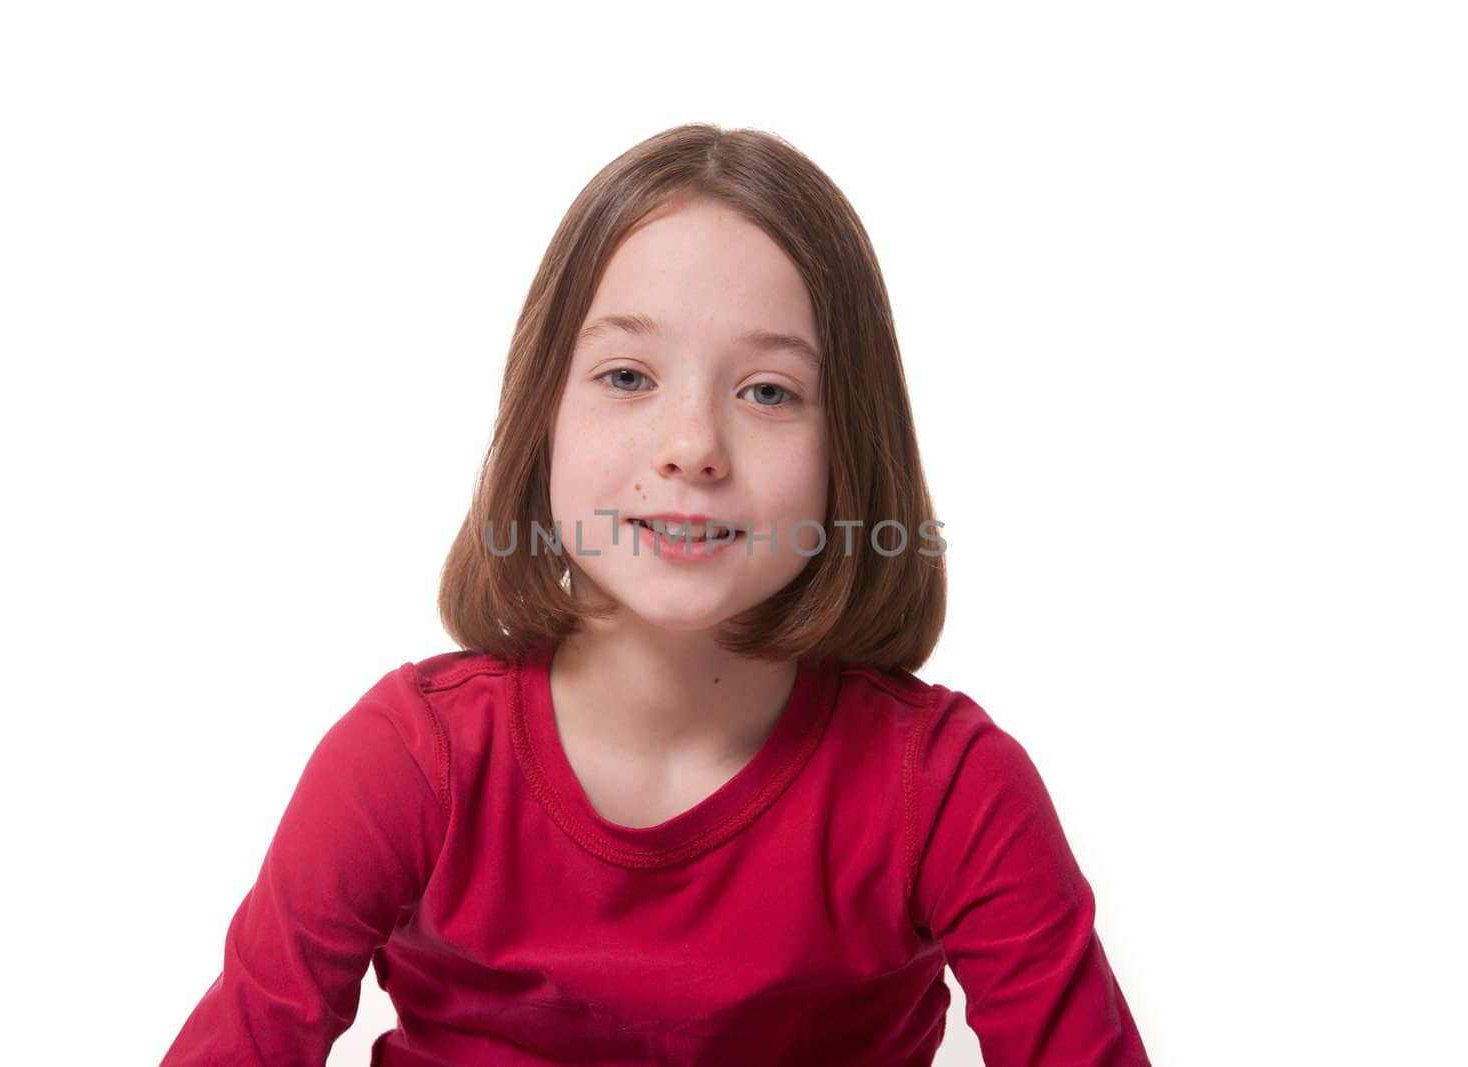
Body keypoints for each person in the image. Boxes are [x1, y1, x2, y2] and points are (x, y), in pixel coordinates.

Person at [160, 124, 1150, 1066]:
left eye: (766, 391)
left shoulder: (949, 790)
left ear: (850, 449)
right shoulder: (408, 760)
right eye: (627, 375)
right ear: (541, 415)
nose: (692, 446)